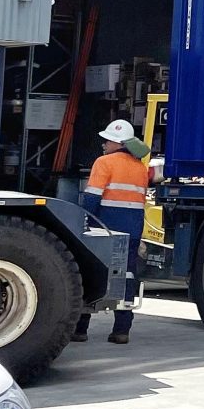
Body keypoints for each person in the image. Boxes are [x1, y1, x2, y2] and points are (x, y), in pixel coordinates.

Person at [73, 119, 150, 345]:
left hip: (104, 227)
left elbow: (92, 197)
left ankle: (79, 329)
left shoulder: (104, 163)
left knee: (89, 272)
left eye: (107, 140)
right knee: (126, 276)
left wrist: (85, 221)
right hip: (132, 229)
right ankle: (121, 331)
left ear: (117, 143)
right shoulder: (140, 167)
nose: (104, 144)